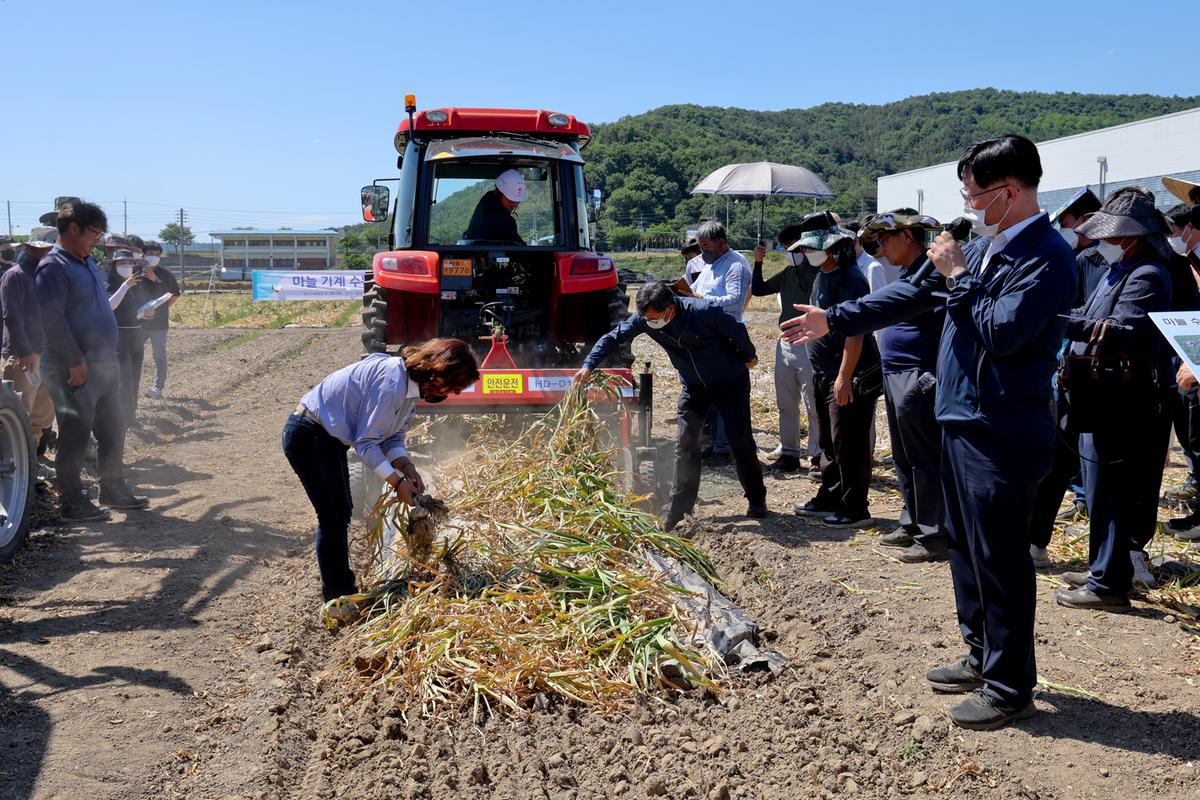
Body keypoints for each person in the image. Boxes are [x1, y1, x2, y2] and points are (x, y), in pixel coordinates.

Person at [782, 135, 1076, 729]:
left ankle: (1010, 684)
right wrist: (831, 319)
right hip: (961, 417)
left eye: (974, 194)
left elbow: (1003, 333)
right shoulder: (988, 246)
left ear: (1009, 192)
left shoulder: (1047, 255)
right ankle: (980, 654)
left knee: (1000, 558)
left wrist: (960, 275)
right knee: (964, 546)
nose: (967, 204)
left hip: (1003, 426)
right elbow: (911, 294)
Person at [282, 339, 480, 616]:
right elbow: (366, 443)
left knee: (340, 512)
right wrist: (397, 483)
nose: (454, 394)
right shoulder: (392, 383)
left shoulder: (409, 388)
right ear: (439, 374)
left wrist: (406, 467)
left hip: (325, 439)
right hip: (309, 434)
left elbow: (393, 436)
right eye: (454, 387)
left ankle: (343, 590)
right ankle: (337, 599)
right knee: (333, 516)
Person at [1053, 188, 1177, 609]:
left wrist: (1058, 324)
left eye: (1109, 235)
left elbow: (1121, 330)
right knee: (1100, 486)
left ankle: (1109, 584)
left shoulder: (1148, 275)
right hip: (1100, 395)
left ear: (1130, 237)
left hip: (1123, 400)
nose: (1100, 242)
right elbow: (1092, 318)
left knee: (1113, 489)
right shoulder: (1118, 269)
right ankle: (1101, 568)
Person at [576, 281, 767, 530]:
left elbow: (736, 330)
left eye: (654, 317)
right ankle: (679, 511)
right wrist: (589, 364)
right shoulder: (644, 320)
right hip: (693, 388)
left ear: (670, 309)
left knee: (739, 442)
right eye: (646, 318)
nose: (650, 322)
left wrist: (748, 355)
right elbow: (613, 337)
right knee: (685, 445)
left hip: (729, 383)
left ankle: (756, 499)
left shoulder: (703, 311)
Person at [843, 211, 949, 562]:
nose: (881, 247)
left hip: (917, 375)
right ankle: (912, 520)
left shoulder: (932, 272)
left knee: (923, 457)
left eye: (886, 239)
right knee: (904, 455)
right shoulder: (911, 272)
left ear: (908, 237)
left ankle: (933, 535)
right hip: (896, 374)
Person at [36, 200, 150, 520]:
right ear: (74, 229)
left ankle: (113, 488)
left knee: (114, 427)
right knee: (75, 435)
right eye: (95, 233)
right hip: (73, 368)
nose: (97, 240)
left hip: (104, 365)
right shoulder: (54, 266)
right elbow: (52, 320)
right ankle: (72, 502)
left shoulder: (86, 262)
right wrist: (74, 361)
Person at [789, 212, 881, 528]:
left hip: (849, 373)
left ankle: (856, 508)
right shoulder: (822, 276)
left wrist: (844, 376)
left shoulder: (851, 278)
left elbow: (856, 331)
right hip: (824, 372)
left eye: (811, 248)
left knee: (849, 441)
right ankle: (830, 495)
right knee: (828, 440)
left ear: (831, 247)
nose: (806, 254)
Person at [750, 223, 822, 476]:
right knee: (785, 401)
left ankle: (817, 455)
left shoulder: (820, 273)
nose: (788, 251)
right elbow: (758, 290)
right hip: (785, 342)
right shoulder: (788, 273)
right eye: (785, 247)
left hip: (809, 342)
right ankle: (790, 453)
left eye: (791, 247)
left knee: (812, 401)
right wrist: (758, 262)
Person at [689, 221, 752, 463]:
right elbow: (694, 289)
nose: (702, 252)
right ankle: (717, 444)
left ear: (721, 243)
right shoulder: (711, 265)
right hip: (707, 337)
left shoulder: (735, 265)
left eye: (706, 247)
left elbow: (735, 300)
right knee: (712, 396)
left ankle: (724, 448)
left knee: (726, 395)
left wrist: (701, 299)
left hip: (725, 337)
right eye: (701, 247)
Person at [1, 226, 57, 478]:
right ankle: (15, 467)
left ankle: (33, 460)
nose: (46, 253)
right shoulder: (16, 276)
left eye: (50, 249)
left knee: (41, 413)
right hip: (24, 355)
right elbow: (11, 316)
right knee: (21, 412)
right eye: (42, 248)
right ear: (29, 248)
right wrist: (23, 353)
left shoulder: (47, 277)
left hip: (45, 352)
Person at [105, 249, 151, 426]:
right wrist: (125, 286)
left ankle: (131, 414)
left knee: (135, 376)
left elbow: (141, 309)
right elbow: (109, 306)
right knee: (123, 377)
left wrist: (149, 312)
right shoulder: (109, 284)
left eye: (130, 263)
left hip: (136, 333)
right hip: (118, 335)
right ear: (114, 265)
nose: (127, 267)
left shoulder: (137, 286)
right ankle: (121, 416)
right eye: (122, 263)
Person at [139, 241, 180, 399]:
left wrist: (160, 308)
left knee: (159, 355)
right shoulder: (135, 272)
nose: (154, 257)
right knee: (133, 354)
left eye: (157, 255)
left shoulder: (166, 275)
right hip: (138, 322)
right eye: (150, 254)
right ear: (143, 255)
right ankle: (129, 385)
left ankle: (158, 387)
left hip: (159, 323)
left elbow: (174, 295)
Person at [463, 169, 525, 243]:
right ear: (498, 193)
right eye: (511, 201)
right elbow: (520, 248)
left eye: (517, 201)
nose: (515, 205)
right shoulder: (504, 220)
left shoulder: (484, 205)